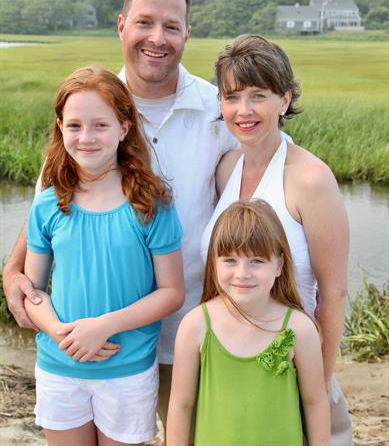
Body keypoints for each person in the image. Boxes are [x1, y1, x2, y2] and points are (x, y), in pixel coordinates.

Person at [3, 0, 237, 428]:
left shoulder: (218, 111)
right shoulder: (90, 105)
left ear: (187, 33)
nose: (158, 38)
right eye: (145, 22)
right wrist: (13, 270)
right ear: (121, 25)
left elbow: (264, 182)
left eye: (171, 27)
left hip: (194, 334)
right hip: (88, 349)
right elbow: (48, 209)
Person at [200, 34, 352, 445]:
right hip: (232, 373)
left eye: (258, 95)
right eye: (232, 97)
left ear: (284, 100)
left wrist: (315, 385)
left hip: (294, 372)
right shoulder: (226, 168)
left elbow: (333, 293)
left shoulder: (311, 179)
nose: (243, 110)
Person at [23, 66, 185, 445]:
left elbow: (172, 291)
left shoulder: (151, 204)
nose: (86, 138)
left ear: (124, 128)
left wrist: (104, 326)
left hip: (127, 371)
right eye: (75, 126)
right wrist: (58, 331)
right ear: (60, 127)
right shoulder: (48, 205)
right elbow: (32, 290)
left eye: (100, 125)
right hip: (59, 368)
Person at [167, 200, 330, 446]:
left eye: (256, 260)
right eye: (230, 260)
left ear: (279, 265)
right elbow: (181, 404)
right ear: (213, 262)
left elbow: (315, 401)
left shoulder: (298, 328)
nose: (242, 273)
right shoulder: (196, 325)